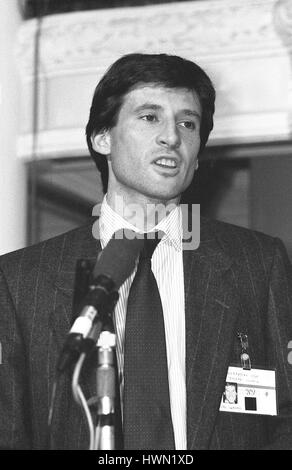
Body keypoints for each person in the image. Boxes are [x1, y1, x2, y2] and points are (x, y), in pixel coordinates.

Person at [0, 53, 292, 450]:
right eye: (150, 117)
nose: (172, 136)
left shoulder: (258, 262)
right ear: (101, 137)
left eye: (188, 123)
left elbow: (285, 416)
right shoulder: (20, 280)